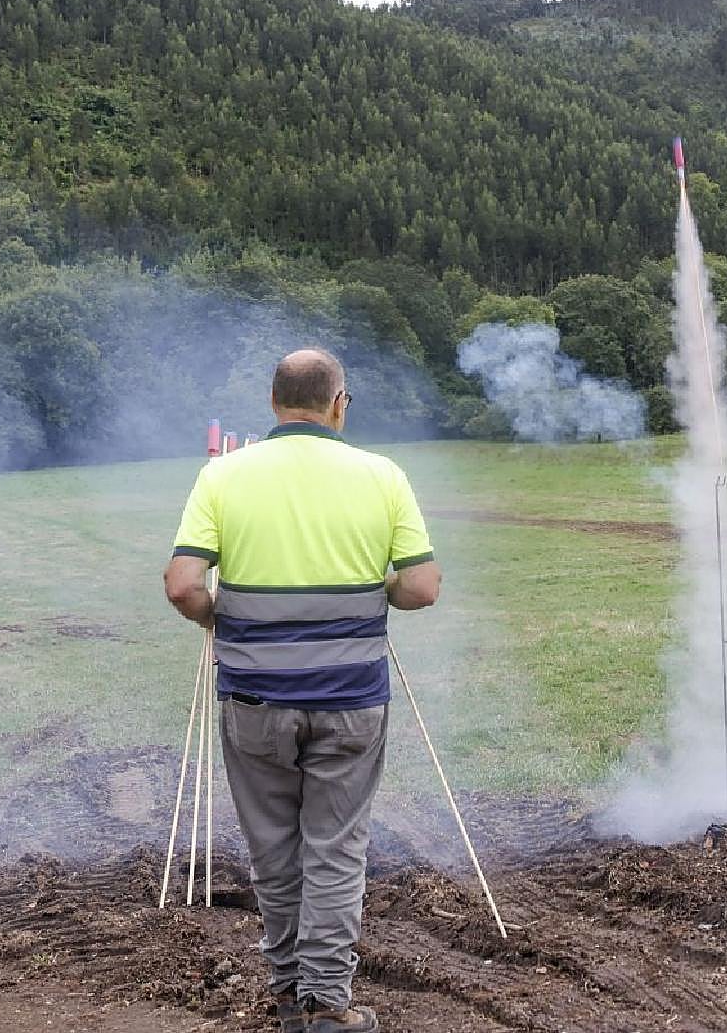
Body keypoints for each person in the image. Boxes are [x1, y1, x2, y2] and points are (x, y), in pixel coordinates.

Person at [164, 348, 441, 1033]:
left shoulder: (223, 474)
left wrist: (213, 616)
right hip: (351, 700)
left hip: (254, 699)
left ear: (273, 402)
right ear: (338, 404)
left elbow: (182, 584)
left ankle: (290, 996)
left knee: (275, 850)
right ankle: (326, 1003)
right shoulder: (382, 475)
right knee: (336, 849)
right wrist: (374, 590)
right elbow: (421, 587)